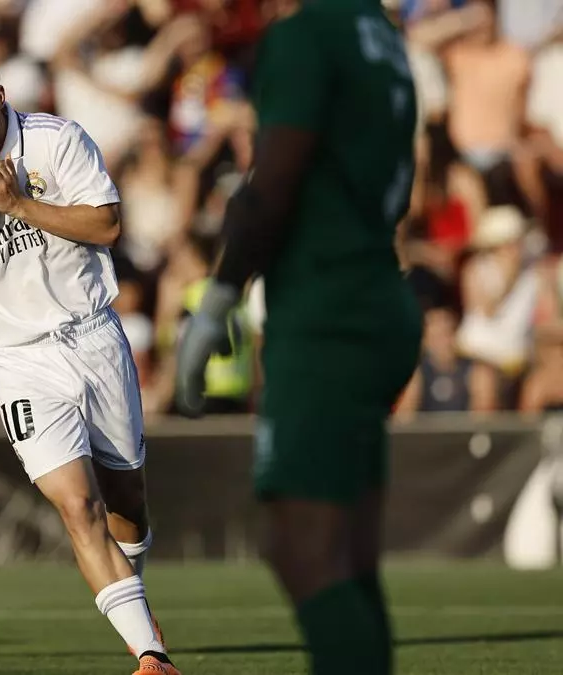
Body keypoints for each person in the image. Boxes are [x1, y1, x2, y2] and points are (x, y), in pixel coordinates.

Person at [173, 2, 423, 675]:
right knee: (351, 560)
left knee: (303, 551)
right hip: (376, 289)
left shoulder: (307, 34)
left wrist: (220, 295)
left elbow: (273, 182)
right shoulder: (379, 33)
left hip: (326, 307)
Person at [0, 45, 179, 675]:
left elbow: (107, 225)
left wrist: (18, 206)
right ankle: (151, 656)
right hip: (21, 359)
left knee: (126, 501)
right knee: (76, 506)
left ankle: (132, 601)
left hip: (94, 336)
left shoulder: (57, 141)